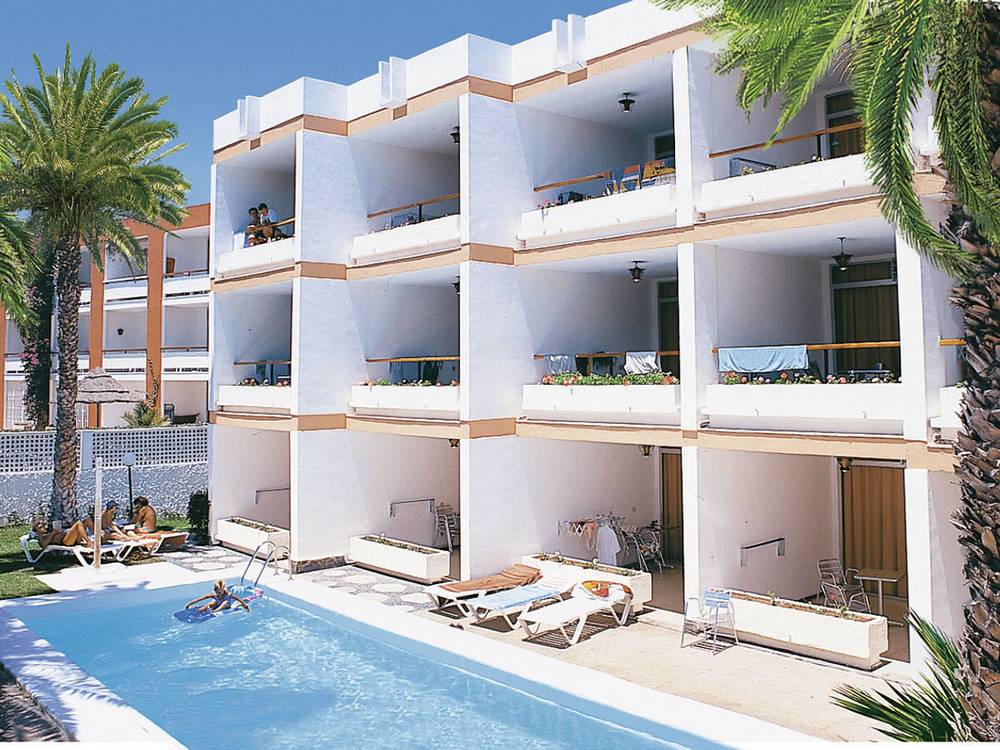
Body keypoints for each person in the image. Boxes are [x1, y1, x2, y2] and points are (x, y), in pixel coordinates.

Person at [186, 580, 250, 614]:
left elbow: (240, 600)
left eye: (219, 592)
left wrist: (246, 607)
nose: (218, 594)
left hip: (226, 606)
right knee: (211, 603)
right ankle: (200, 610)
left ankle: (214, 611)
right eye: (216, 592)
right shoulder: (214, 594)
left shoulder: (229, 594)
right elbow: (200, 599)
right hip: (217, 604)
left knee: (224, 603)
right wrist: (189, 604)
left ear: (223, 590)